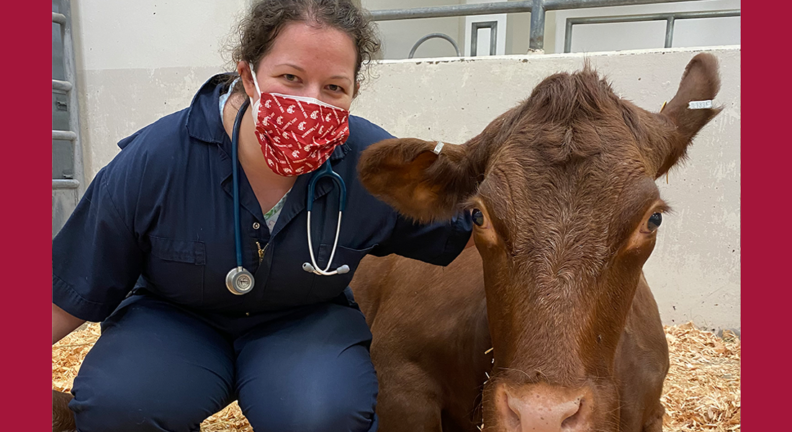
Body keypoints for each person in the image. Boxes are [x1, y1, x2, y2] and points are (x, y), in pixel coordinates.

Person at [51, 1, 472, 431]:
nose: (311, 102)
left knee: (324, 415)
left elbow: (469, 226)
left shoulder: (371, 166)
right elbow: (67, 288)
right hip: (174, 320)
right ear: (247, 75)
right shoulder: (158, 159)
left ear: (354, 92)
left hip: (303, 323)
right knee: (120, 405)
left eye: (334, 87)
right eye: (290, 77)